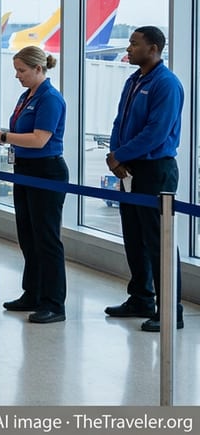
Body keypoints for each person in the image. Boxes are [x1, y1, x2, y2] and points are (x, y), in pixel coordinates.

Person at [0, 46, 68, 324]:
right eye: (16, 70)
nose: (17, 76)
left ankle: (54, 302)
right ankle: (33, 292)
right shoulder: (26, 96)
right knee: (28, 235)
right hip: (25, 169)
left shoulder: (50, 99)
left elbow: (39, 139)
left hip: (46, 170)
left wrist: (2, 136)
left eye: (22, 70)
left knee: (46, 238)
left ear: (39, 69)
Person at [102, 26, 184, 332]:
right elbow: (118, 122)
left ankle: (170, 310)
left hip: (155, 170)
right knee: (134, 238)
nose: (129, 48)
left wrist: (121, 155)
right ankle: (141, 298)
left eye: (134, 44)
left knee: (158, 241)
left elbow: (156, 131)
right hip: (128, 167)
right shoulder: (133, 81)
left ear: (154, 48)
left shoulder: (166, 84)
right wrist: (115, 155)